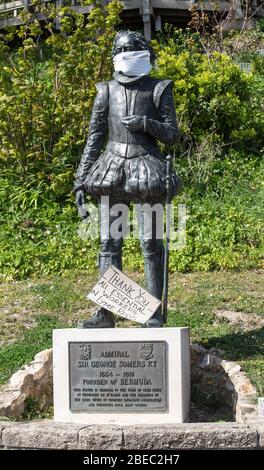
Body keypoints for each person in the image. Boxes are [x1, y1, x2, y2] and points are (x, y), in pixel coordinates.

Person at [74, 31, 179, 328]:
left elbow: (172, 135)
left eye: (130, 48)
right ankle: (106, 312)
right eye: (119, 48)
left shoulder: (159, 88)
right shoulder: (105, 91)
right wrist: (81, 180)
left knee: (150, 242)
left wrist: (147, 123)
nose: (124, 52)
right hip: (111, 171)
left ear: (142, 52)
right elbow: (94, 137)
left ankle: (153, 313)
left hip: (148, 170)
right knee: (109, 242)